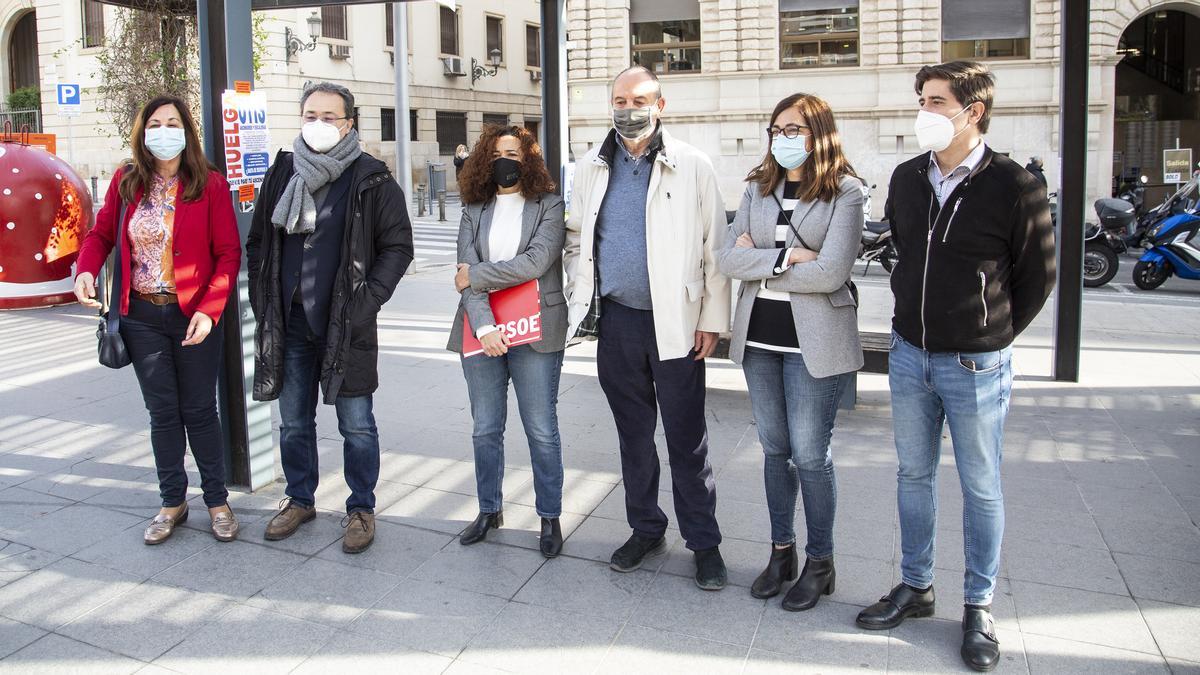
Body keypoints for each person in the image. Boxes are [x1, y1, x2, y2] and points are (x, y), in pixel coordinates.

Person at [854, 62, 1055, 672]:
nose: (924, 109)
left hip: (976, 363)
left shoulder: (1015, 185)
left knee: (980, 486)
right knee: (913, 475)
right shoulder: (908, 177)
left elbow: (1036, 278)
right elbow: (905, 254)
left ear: (974, 111)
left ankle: (979, 604)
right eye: (922, 98)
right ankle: (916, 586)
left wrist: (990, 335)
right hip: (909, 355)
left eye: (937, 100)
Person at [563, 65, 731, 590]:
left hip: (676, 324)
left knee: (687, 440)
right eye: (619, 99)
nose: (628, 109)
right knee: (633, 438)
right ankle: (646, 528)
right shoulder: (590, 166)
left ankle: (704, 543)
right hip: (617, 322)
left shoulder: (693, 165)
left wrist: (711, 319)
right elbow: (575, 236)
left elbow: (714, 248)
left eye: (639, 100)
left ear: (660, 105)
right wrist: (580, 287)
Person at [246, 82, 414, 554]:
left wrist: (368, 300)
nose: (318, 124)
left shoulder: (371, 177)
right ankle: (300, 498)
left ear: (349, 124)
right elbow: (259, 239)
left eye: (329, 116)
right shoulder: (282, 172)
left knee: (356, 422)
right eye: (310, 114)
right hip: (290, 322)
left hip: (347, 323)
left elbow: (398, 247)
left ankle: (361, 507)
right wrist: (265, 301)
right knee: (294, 421)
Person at [716, 93, 863, 611]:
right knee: (775, 451)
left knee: (810, 455)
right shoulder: (759, 188)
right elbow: (727, 261)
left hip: (813, 344)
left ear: (819, 132)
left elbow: (832, 273)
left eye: (795, 128)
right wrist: (787, 257)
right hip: (758, 339)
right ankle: (782, 552)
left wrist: (761, 257)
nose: (785, 137)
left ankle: (820, 562)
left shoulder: (847, 192)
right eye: (777, 128)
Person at [74, 95, 242, 545]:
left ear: (186, 131)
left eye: (172, 122)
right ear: (142, 132)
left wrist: (210, 310)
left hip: (193, 316)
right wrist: (86, 270)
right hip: (141, 316)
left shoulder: (208, 185)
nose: (163, 130)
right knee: (163, 413)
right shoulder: (127, 182)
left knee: (200, 411)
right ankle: (173, 501)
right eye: (155, 123)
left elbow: (228, 255)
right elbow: (102, 233)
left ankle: (217, 500)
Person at [446, 125, 567, 557]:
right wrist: (484, 327)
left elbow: (535, 263)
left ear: (528, 159)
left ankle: (549, 515)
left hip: (536, 331)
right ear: (484, 158)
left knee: (541, 429)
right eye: (497, 153)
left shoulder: (549, 205)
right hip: (483, 333)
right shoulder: (472, 208)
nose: (505, 160)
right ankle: (488, 509)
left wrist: (475, 276)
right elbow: (465, 270)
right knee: (485, 429)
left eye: (514, 153)